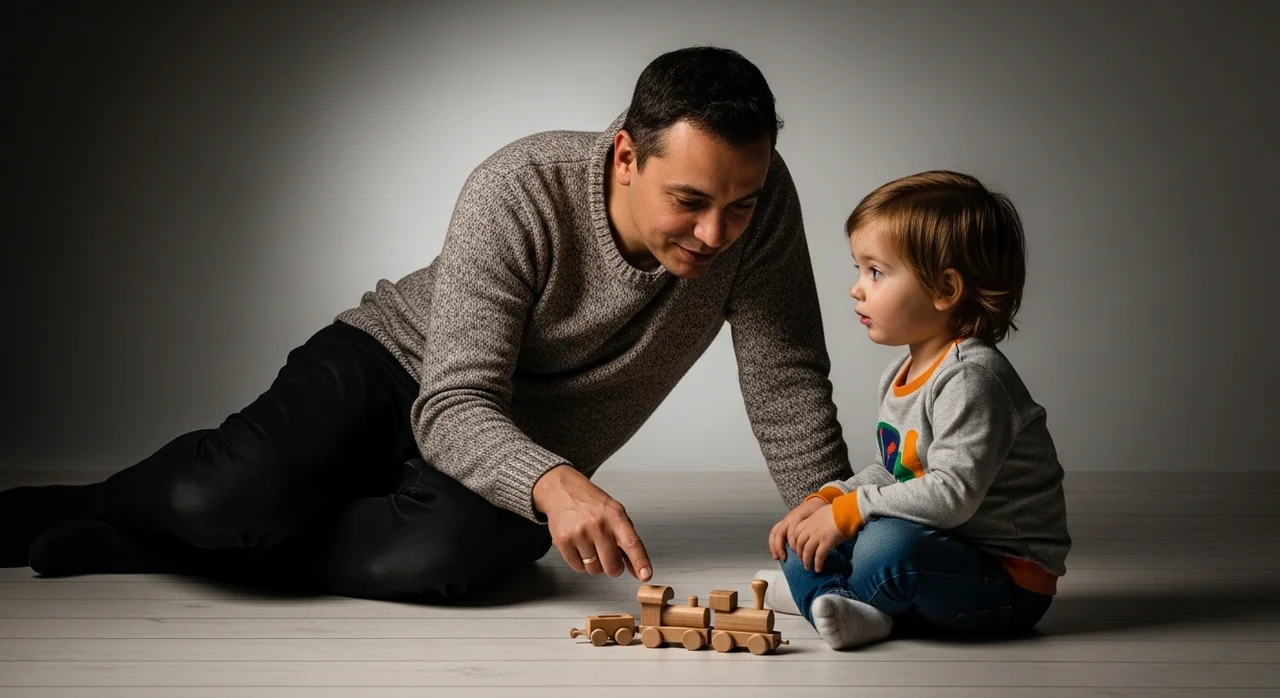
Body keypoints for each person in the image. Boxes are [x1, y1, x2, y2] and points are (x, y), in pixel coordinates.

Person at [0, 46, 854, 600]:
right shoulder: (520, 186)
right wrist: (557, 485)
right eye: (691, 202)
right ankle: (96, 513)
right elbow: (453, 403)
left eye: (739, 204)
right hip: (396, 364)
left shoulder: (762, 208)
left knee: (456, 561)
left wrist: (836, 515)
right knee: (221, 495)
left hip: (511, 440)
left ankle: (196, 549)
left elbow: (784, 379)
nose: (717, 234)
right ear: (627, 155)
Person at [753, 170, 1071, 649]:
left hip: (1004, 581)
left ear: (945, 289)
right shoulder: (900, 373)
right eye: (859, 270)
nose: (856, 288)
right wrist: (827, 497)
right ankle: (834, 598)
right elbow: (892, 472)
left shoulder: (972, 378)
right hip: (943, 549)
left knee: (885, 547)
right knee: (804, 535)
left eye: (875, 272)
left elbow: (952, 495)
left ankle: (827, 597)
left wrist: (850, 511)